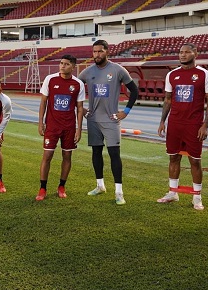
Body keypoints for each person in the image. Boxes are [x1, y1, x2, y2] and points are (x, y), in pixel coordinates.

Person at [78, 39, 139, 205]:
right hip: (93, 119)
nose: (96, 55)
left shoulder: (117, 70)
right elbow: (74, 88)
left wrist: (125, 111)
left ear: (107, 51)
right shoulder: (87, 72)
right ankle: (100, 186)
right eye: (94, 52)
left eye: (100, 51)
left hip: (111, 120)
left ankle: (119, 192)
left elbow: (134, 90)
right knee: (96, 153)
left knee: (114, 154)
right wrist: (82, 110)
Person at [156, 43, 208, 210]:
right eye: (180, 52)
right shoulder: (172, 75)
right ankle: (172, 192)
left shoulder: (205, 75)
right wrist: (162, 121)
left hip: (193, 124)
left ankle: (197, 197)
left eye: (186, 52)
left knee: (195, 160)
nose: (182, 55)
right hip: (175, 123)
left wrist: (205, 125)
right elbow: (168, 99)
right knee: (173, 157)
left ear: (195, 53)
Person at [36, 55, 85, 201]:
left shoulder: (78, 84)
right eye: (61, 63)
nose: (62, 66)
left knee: (67, 156)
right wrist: (40, 122)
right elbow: (43, 102)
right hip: (52, 126)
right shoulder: (50, 79)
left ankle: (61, 186)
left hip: (69, 127)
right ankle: (42, 188)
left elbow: (80, 108)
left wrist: (79, 129)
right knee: (47, 156)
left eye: (66, 64)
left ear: (73, 67)